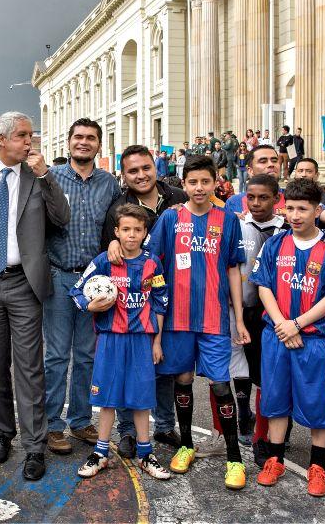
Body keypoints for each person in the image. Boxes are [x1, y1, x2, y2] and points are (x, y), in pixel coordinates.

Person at [0, 113, 70, 480]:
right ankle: (2, 433)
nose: (30, 142)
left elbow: (62, 217)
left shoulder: (37, 176)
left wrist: (45, 176)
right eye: (23, 136)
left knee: (29, 368)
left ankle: (35, 447)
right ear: (2, 139)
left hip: (25, 283)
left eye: (31, 135)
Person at [146, 156, 250, 490]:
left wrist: (239, 318)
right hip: (177, 319)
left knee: (221, 385)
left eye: (205, 181)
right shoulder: (170, 218)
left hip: (214, 318)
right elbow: (152, 264)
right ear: (184, 184)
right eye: (192, 182)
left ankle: (234, 458)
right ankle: (187, 444)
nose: (199, 188)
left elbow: (234, 268)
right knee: (183, 380)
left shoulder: (227, 219)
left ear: (215, 182)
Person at [250, 179, 325, 497]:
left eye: (303, 209)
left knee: (317, 402)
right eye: (290, 208)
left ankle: (317, 466)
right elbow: (263, 285)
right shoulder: (276, 245)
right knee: (275, 400)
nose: (295, 215)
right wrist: (282, 324)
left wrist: (297, 324)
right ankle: (275, 459)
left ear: (317, 210)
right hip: (277, 335)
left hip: (314, 339)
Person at [71, 204, 171, 481]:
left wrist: (157, 341)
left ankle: (145, 454)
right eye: (125, 229)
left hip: (141, 340)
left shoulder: (152, 264)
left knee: (140, 401)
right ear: (116, 231)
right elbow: (77, 291)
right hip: (110, 340)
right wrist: (90, 307)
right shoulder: (105, 260)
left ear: (144, 232)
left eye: (137, 230)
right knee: (107, 399)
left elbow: (160, 301)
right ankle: (101, 453)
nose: (131, 235)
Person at [101, 145, 188, 457]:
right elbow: (108, 248)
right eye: (133, 171)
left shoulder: (179, 197)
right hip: (134, 303)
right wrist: (113, 242)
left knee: (162, 361)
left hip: (173, 290)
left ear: (155, 167)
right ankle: (126, 431)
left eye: (145, 168)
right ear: (124, 176)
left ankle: (165, 425)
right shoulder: (118, 207)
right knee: (129, 366)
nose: (141, 175)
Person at [40, 117, 114, 460]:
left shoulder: (108, 184)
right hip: (58, 276)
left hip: (95, 281)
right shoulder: (50, 178)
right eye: (78, 137)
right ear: (68, 142)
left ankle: (80, 419)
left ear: (99, 145)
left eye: (91, 138)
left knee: (86, 356)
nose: (84, 142)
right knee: (56, 356)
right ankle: (53, 425)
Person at [231, 175, 285, 465]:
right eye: (250, 197)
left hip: (276, 314)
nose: (255, 203)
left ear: (277, 198)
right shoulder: (237, 225)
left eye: (263, 197)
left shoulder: (287, 228)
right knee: (241, 367)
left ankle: (265, 433)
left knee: (268, 375)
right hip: (244, 308)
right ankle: (243, 414)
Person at [225, 145, 325, 228]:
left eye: (274, 160)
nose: (271, 165)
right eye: (263, 161)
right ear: (250, 170)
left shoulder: (296, 196)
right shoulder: (234, 202)